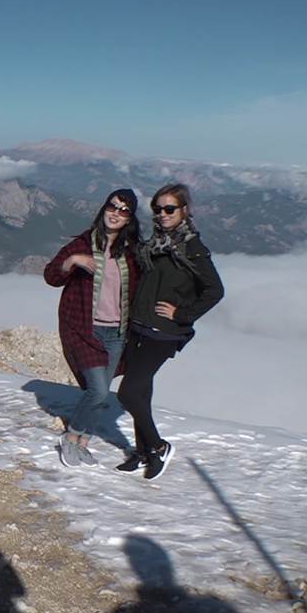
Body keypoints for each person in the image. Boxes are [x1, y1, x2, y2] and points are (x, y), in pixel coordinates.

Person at [116, 184, 224, 480]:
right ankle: (143, 453)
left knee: (127, 394)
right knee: (141, 392)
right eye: (158, 209)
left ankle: (159, 446)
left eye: (169, 209)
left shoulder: (192, 248)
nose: (163, 214)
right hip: (139, 326)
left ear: (184, 211)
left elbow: (215, 290)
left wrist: (182, 314)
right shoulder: (157, 244)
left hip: (163, 333)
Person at [43, 189, 140, 467]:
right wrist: (73, 261)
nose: (116, 213)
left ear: (129, 219)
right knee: (97, 391)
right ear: (104, 208)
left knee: (101, 393)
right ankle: (71, 438)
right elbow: (51, 276)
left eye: (124, 211)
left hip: (117, 333)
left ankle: (83, 444)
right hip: (85, 330)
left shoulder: (132, 251)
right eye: (113, 206)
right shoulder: (83, 243)